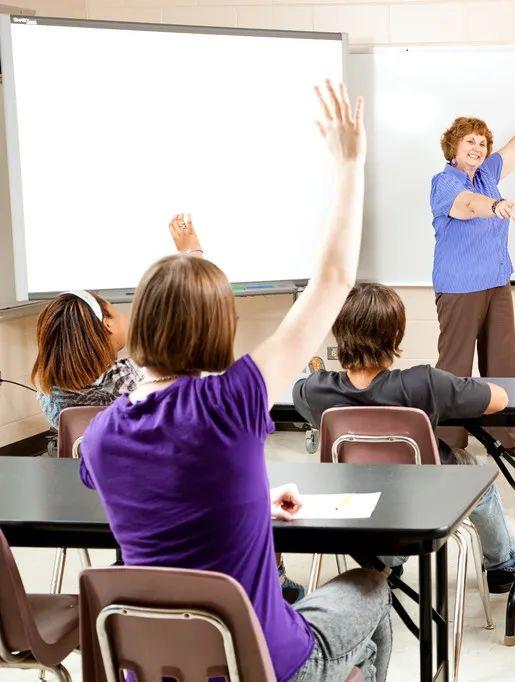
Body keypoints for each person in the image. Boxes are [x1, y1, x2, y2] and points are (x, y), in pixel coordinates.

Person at [80, 80, 392, 681]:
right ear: (222, 328)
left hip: (159, 670)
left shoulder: (100, 435)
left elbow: (167, 493)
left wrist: (247, 500)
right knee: (371, 587)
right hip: (263, 664)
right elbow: (333, 279)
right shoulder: (232, 401)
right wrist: (350, 165)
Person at [292, 282, 515, 593]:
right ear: (395, 335)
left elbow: (296, 392)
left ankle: (385, 562)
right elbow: (498, 399)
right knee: (476, 473)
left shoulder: (315, 390)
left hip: (356, 511)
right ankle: (502, 565)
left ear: (340, 335)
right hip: (423, 507)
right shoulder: (425, 384)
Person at [429, 96, 515, 450]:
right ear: (453, 147)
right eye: (470, 141)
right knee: (455, 368)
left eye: (482, 143)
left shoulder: (487, 174)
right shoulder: (444, 182)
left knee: (502, 365)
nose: (477, 147)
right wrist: (495, 205)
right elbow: (467, 206)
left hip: (496, 283)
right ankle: (447, 444)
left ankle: (506, 437)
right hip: (460, 287)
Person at [31, 214, 201, 428]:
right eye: (115, 311)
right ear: (107, 324)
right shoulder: (132, 380)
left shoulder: (51, 393)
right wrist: (192, 253)